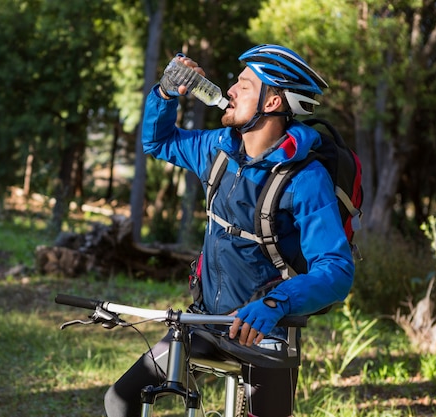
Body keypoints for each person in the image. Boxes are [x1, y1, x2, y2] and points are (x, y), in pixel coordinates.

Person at [104, 44, 355, 417]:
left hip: (265, 333)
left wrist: (275, 305)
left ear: (271, 103)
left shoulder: (306, 178)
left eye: (244, 85)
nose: (231, 91)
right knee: (120, 400)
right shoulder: (217, 149)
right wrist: (164, 93)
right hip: (204, 322)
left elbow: (336, 269)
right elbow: (157, 142)